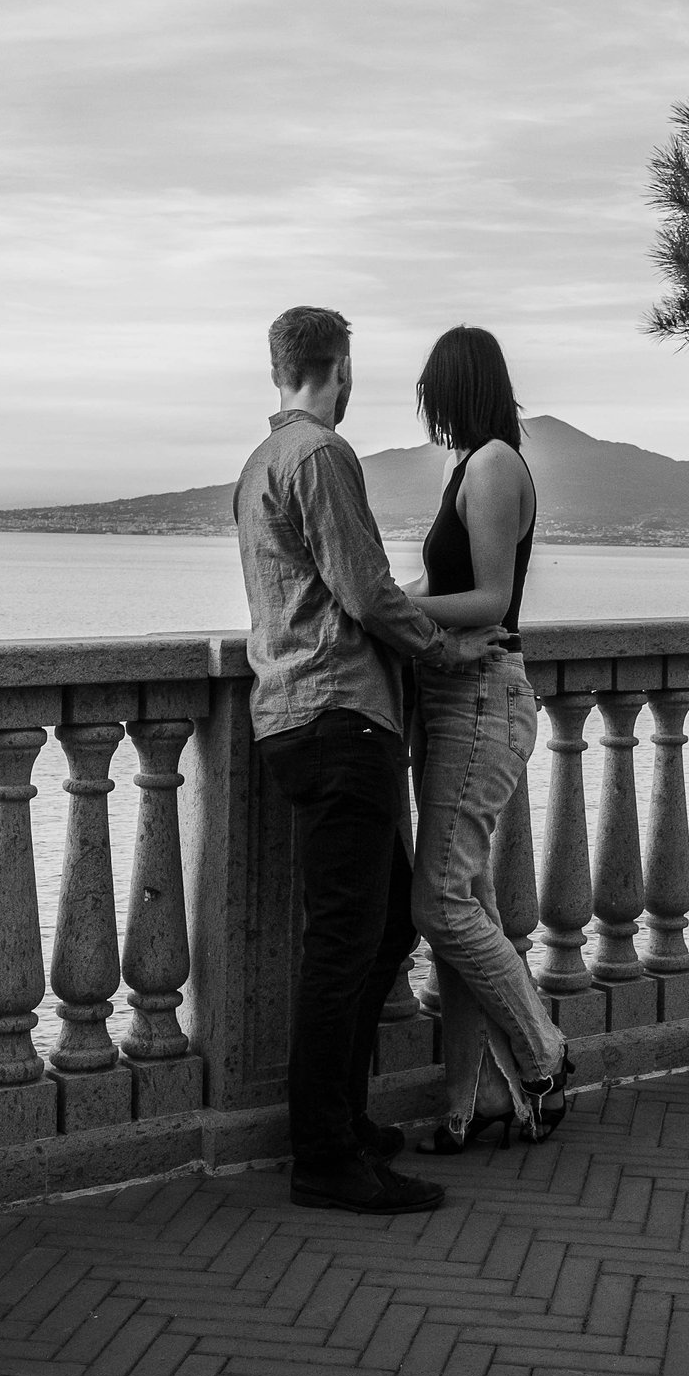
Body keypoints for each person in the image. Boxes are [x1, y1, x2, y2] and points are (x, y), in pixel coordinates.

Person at [232, 306, 508, 1214]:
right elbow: (364, 590)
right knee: (348, 943)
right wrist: (444, 650)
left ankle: (345, 1127)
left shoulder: (258, 466)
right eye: (352, 369)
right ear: (338, 368)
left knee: (382, 929)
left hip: (298, 720)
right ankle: (325, 1155)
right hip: (339, 721)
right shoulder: (320, 456)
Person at [401, 326, 573, 1151]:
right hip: (449, 702)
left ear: (457, 389)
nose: (428, 411)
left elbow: (490, 600)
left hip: (480, 700)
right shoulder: (467, 467)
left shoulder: (498, 465)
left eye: (434, 394)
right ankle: (476, 1103)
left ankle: (542, 1052)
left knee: (437, 900)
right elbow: (439, 586)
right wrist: (360, 596)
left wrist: (383, 611)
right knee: (466, 903)